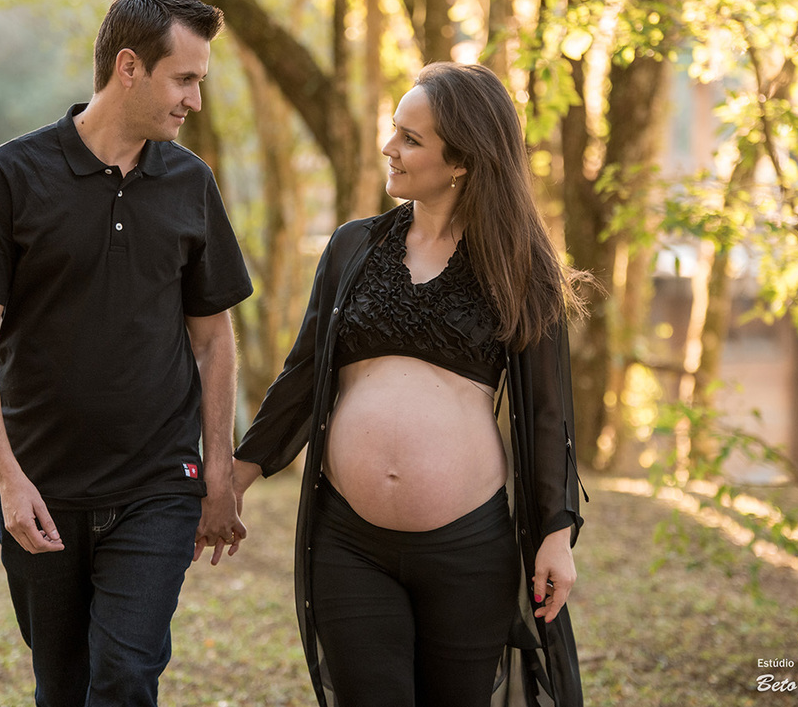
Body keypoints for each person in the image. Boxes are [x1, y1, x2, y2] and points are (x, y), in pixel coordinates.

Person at [0, 0, 253, 707]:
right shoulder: (10, 177)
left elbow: (213, 342)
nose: (195, 101)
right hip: (41, 488)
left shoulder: (190, 183)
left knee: (126, 676)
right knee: (63, 684)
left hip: (159, 485)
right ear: (129, 67)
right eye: (186, 79)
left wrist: (219, 470)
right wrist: (9, 479)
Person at [232, 62, 587, 707]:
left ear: (464, 161)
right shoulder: (352, 249)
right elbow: (304, 373)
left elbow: (547, 416)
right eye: (395, 130)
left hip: (468, 549)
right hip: (348, 544)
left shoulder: (520, 269)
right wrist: (236, 475)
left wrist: (555, 536)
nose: (390, 148)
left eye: (412, 139)